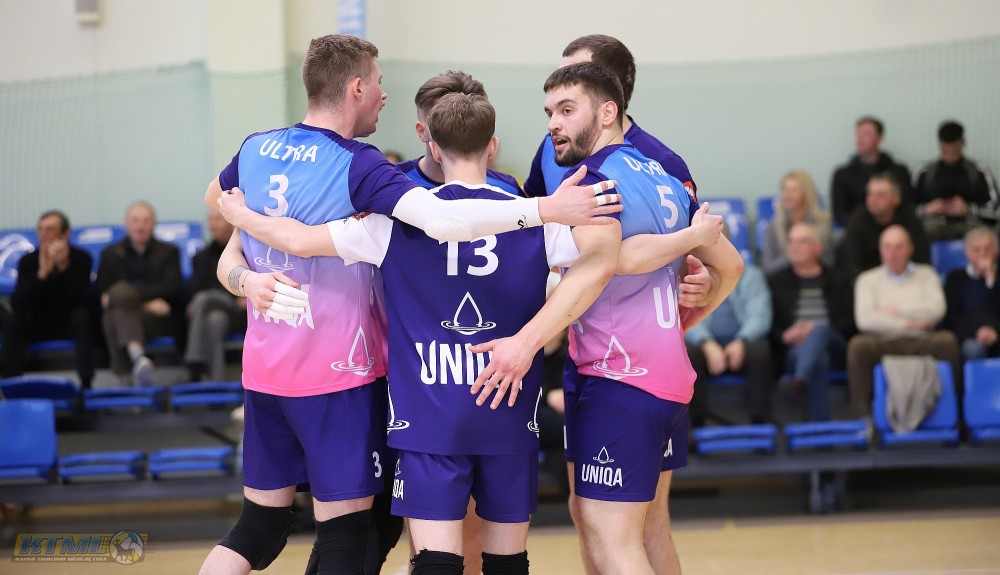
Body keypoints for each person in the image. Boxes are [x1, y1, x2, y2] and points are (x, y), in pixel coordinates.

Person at [198, 34, 621, 575]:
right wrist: (550, 224)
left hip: (390, 402)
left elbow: (269, 229)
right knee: (434, 546)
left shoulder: (290, 162)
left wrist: (241, 239)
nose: (383, 94)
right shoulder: (387, 176)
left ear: (432, 144)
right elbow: (600, 259)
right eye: (378, 83)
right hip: (458, 394)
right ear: (492, 145)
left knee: (292, 530)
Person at [470, 63, 743, 575]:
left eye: (567, 110)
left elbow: (606, 261)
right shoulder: (664, 177)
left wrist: (525, 343)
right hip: (663, 377)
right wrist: (688, 317)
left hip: (620, 378)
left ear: (608, 112)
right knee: (631, 526)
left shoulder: (597, 182)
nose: (553, 123)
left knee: (612, 538)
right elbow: (731, 265)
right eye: (549, 112)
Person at [519, 34, 716, 575]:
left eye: (568, 100)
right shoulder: (557, 149)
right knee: (590, 516)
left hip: (626, 367)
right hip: (592, 357)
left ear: (608, 98)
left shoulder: (660, 163)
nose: (555, 118)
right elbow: (539, 229)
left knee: (632, 527)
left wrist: (695, 296)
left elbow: (631, 259)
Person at [846, 225, 961, 416]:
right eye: (887, 247)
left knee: (947, 341)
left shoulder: (927, 274)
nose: (892, 253)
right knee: (858, 346)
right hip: (883, 341)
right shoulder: (867, 279)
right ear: (880, 250)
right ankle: (863, 416)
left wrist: (893, 311)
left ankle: (953, 411)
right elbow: (865, 320)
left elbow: (936, 310)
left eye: (899, 247)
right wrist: (907, 322)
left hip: (921, 339)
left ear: (910, 249)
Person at [685, 224, 774, 425]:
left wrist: (742, 340)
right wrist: (706, 343)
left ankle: (759, 423)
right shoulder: (689, 275)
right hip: (705, 347)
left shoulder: (751, 275)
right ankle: (694, 425)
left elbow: (760, 315)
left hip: (741, 345)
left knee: (760, 350)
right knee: (688, 352)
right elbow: (684, 315)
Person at [767, 223, 854, 421]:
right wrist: (784, 336)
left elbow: (850, 321)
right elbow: (768, 324)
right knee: (818, 358)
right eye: (791, 242)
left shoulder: (838, 279)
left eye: (802, 242)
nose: (794, 247)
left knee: (819, 331)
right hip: (794, 350)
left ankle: (800, 380)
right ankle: (803, 384)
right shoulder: (776, 281)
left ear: (818, 247)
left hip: (834, 345)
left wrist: (815, 330)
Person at [2, 210, 96, 389]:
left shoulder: (81, 258)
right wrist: (41, 275)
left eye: (50, 229)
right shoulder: (28, 261)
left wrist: (64, 268)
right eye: (40, 229)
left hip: (68, 323)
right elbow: (18, 304)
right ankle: (11, 385)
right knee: (13, 321)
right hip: (38, 324)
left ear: (65, 233)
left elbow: (87, 301)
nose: (43, 234)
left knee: (82, 317)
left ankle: (86, 384)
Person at [96, 201, 183, 387]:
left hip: (157, 320)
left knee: (117, 303)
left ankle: (126, 379)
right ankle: (137, 357)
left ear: (153, 224)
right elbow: (101, 293)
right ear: (126, 224)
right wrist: (145, 304)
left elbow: (173, 287)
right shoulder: (110, 254)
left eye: (145, 221)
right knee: (113, 313)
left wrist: (127, 298)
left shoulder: (169, 252)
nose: (140, 226)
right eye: (135, 221)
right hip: (145, 311)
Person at [396, 70, 524, 197]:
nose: (459, 131)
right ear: (421, 131)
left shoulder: (507, 188)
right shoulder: (394, 183)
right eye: (441, 121)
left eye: (469, 122)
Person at [182, 209, 246, 381]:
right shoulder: (200, 257)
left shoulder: (245, 251)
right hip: (213, 313)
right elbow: (194, 287)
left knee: (201, 299)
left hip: (237, 308)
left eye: (218, 219)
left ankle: (193, 362)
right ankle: (214, 382)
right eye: (210, 220)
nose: (213, 225)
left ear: (230, 221)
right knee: (215, 321)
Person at [912, 120, 999, 241]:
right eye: (946, 148)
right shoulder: (923, 172)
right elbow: (906, 208)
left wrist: (969, 209)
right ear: (940, 145)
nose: (950, 152)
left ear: (963, 143)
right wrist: (927, 209)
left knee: (983, 237)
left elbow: (996, 208)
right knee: (916, 233)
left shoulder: (979, 171)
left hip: (970, 224)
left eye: (954, 148)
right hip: (933, 224)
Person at [843, 172, 930, 280]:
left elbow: (922, 260)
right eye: (870, 194)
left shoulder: (910, 219)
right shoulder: (857, 221)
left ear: (896, 198)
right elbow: (853, 266)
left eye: (880, 195)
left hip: (907, 280)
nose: (873, 200)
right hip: (870, 282)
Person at [830, 116, 912, 227]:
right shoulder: (842, 175)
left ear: (879, 138)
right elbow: (840, 215)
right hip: (858, 229)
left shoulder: (898, 171)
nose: (860, 139)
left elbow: (907, 206)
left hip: (894, 229)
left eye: (866, 134)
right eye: (858, 134)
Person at [761, 170, 833, 275]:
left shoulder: (823, 223)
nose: (788, 194)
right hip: (782, 279)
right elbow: (768, 267)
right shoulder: (773, 226)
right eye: (785, 189)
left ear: (807, 192)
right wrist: (794, 255)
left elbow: (829, 260)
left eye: (794, 189)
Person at [943, 227, 1000, 360]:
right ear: (967, 253)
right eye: (976, 250)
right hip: (969, 336)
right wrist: (977, 332)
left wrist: (992, 282)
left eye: (988, 249)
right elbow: (951, 318)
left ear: (996, 250)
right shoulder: (955, 278)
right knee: (973, 349)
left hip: (998, 333)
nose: (983, 254)